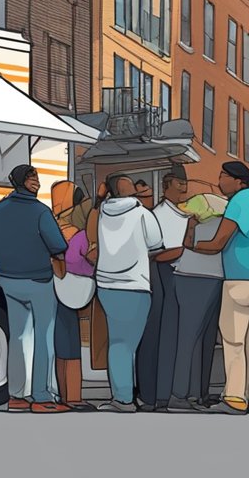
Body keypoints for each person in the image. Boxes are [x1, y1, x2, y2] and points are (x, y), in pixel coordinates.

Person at [185, 161, 249, 415]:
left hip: (239, 278)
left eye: (223, 176)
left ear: (240, 182)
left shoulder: (239, 202)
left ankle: (235, 397)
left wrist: (191, 244)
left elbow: (218, 242)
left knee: (234, 340)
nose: (219, 180)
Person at [0, 165, 68, 413]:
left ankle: (17, 395)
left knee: (18, 337)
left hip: (8, 280)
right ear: (22, 181)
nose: (38, 183)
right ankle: (41, 396)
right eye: (33, 179)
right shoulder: (40, 212)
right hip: (38, 280)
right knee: (43, 337)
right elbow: (57, 244)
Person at [93, 174, 163, 412]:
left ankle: (122, 395)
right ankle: (125, 398)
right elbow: (156, 245)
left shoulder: (102, 212)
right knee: (128, 345)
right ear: (131, 189)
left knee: (118, 342)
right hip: (135, 285)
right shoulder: (142, 213)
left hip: (106, 285)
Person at [136, 168, 191, 412]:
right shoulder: (158, 215)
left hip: (176, 279)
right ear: (168, 185)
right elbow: (157, 254)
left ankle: (165, 393)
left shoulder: (183, 213)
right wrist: (187, 249)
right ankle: (151, 394)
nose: (185, 189)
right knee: (155, 338)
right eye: (181, 183)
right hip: (160, 279)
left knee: (171, 338)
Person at [168, 181, 226, 410]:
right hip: (199, 278)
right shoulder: (220, 221)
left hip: (197, 277)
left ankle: (195, 393)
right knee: (193, 339)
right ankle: (181, 394)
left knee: (197, 340)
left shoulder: (194, 221)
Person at [51, 182, 94, 411]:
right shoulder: (80, 235)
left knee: (60, 344)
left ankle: (62, 394)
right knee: (72, 345)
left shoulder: (51, 230)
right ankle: (74, 397)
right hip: (75, 290)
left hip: (54, 289)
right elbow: (90, 258)